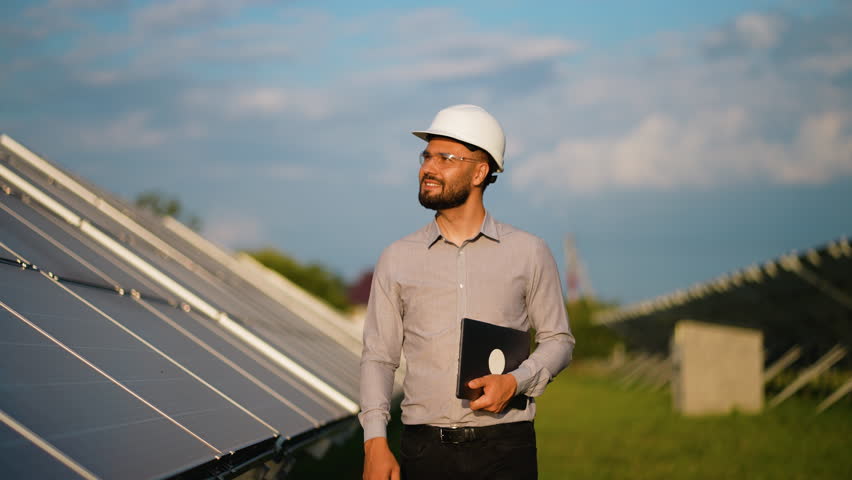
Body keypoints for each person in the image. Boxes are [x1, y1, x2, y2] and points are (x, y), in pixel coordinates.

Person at [360, 104, 575, 480]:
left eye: (445, 158)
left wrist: (515, 381)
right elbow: (379, 358)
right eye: (427, 156)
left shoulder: (529, 252)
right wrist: (375, 441)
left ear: (480, 171)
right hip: (424, 450)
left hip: (507, 447)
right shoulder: (396, 258)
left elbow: (559, 340)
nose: (428, 168)